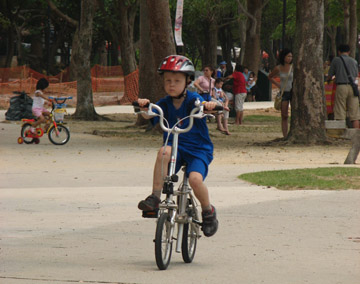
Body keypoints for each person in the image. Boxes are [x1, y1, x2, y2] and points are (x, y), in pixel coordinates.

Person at [137, 55, 219, 237]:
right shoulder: (164, 103)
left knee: (195, 180)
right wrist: (144, 107)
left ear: (187, 81)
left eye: (176, 81)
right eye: (167, 81)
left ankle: (208, 212)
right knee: (163, 151)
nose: (171, 84)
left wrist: (210, 106)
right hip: (175, 148)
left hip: (198, 150)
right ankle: (155, 197)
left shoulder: (193, 99)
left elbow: (203, 105)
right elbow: (149, 114)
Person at [327, 44, 359, 128]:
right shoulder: (354, 61)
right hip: (353, 87)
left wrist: (328, 80)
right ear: (349, 51)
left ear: (339, 52)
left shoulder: (336, 60)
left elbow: (330, 74)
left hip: (341, 86)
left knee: (340, 110)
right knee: (354, 113)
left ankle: (340, 132)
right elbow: (355, 74)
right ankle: (356, 134)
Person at [268, 48, 294, 137]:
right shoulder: (278, 68)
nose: (290, 58)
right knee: (284, 115)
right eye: (288, 56)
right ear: (283, 57)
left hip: (293, 92)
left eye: (291, 56)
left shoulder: (293, 67)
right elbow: (270, 77)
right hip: (284, 93)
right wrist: (278, 85)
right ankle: (285, 135)